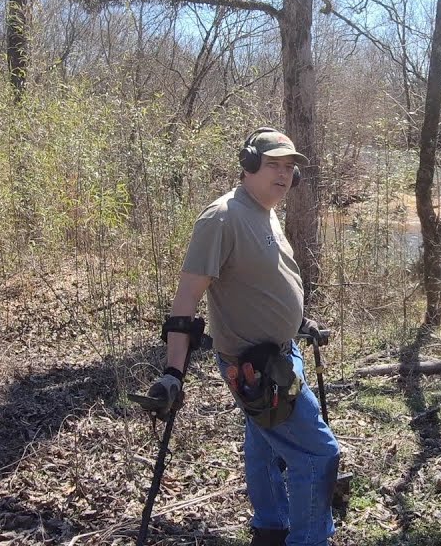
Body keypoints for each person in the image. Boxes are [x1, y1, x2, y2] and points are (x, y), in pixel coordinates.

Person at [145, 127, 340, 546]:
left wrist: (298, 323)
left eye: (290, 168)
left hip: (283, 354)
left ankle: (270, 529)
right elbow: (185, 304)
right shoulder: (222, 218)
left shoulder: (265, 211)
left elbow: (261, 282)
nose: (284, 175)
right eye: (273, 164)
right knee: (319, 455)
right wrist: (173, 373)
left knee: (265, 447)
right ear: (249, 164)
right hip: (255, 368)